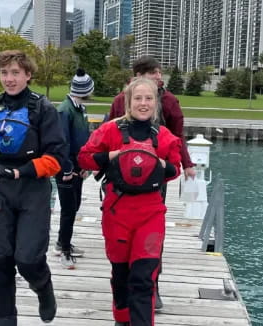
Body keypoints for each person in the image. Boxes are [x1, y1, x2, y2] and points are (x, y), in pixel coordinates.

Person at [0, 50, 66, 326]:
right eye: (4, 73)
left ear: (28, 75)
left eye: (15, 73)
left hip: (33, 189)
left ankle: (43, 287)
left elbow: (56, 159)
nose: (9, 79)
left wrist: (19, 170)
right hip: (0, 189)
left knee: (28, 259)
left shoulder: (43, 110)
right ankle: (4, 320)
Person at [78, 78, 182, 326]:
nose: (143, 103)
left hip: (150, 214)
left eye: (148, 99)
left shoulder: (164, 136)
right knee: (121, 274)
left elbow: (175, 169)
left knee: (144, 277)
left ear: (156, 103)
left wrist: (159, 164)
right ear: (128, 102)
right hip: (117, 213)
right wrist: (111, 156)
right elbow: (84, 158)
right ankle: (121, 318)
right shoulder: (110, 131)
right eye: (138, 98)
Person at [108, 55, 196, 309]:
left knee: (152, 236)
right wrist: (97, 165)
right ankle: (122, 285)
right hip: (121, 178)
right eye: (153, 73)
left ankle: (153, 285)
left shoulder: (169, 102)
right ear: (138, 77)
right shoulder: (120, 101)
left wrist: (186, 164)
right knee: (120, 235)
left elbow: (178, 136)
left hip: (155, 177)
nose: (159, 76)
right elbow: (107, 130)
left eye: (159, 72)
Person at [52, 68, 94, 269]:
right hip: (67, 170)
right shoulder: (65, 110)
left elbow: (82, 140)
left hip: (78, 168)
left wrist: (85, 165)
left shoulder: (79, 109)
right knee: (69, 210)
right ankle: (65, 251)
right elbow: (61, 143)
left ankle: (62, 242)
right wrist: (68, 169)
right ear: (86, 90)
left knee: (74, 206)